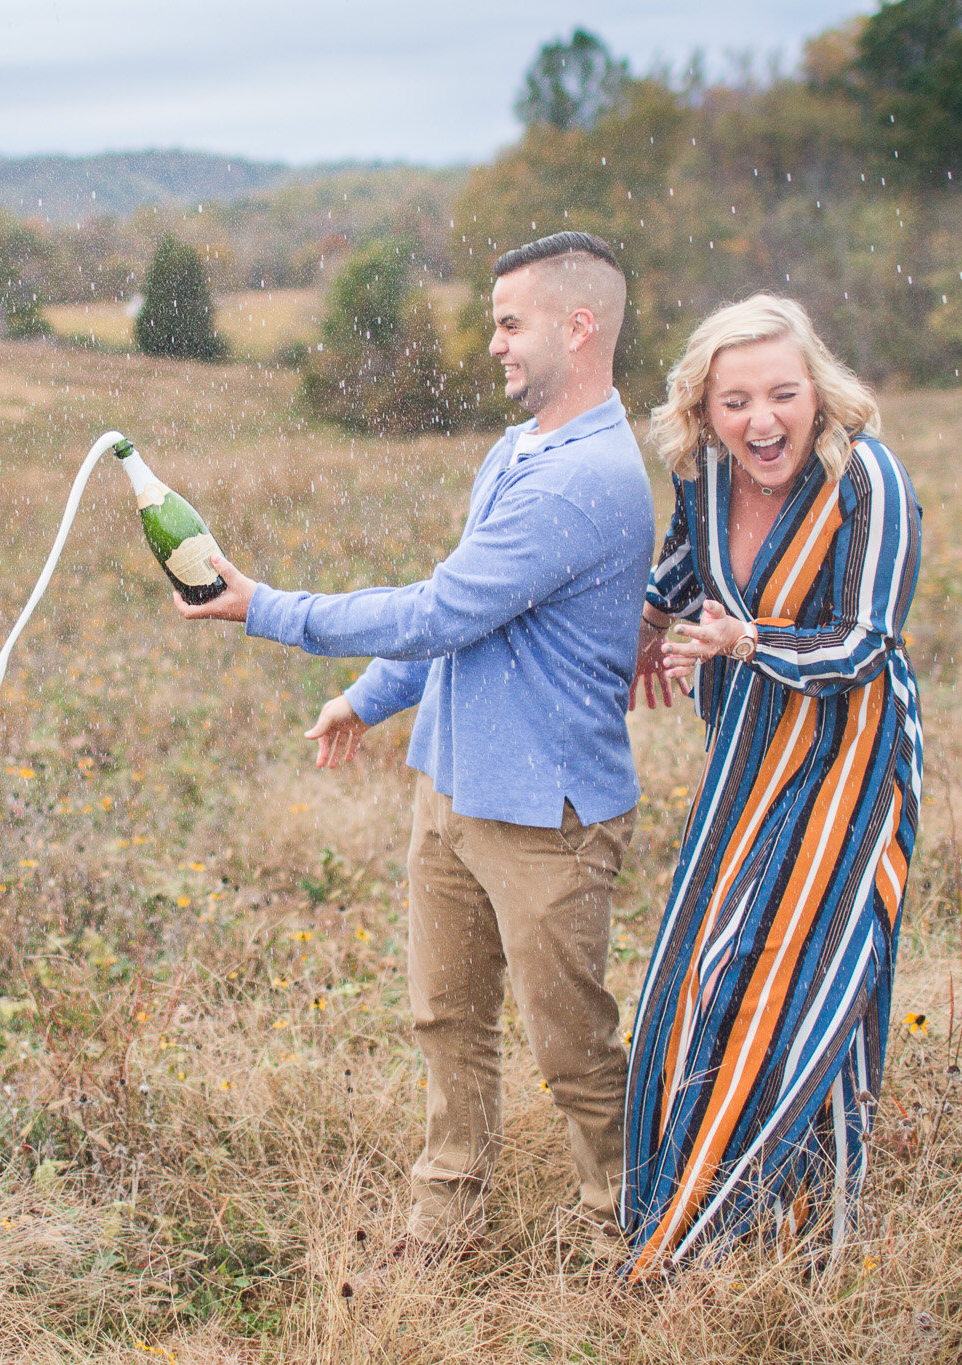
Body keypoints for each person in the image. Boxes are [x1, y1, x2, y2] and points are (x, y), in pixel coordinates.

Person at [177, 231, 654, 1253]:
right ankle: (446, 1220)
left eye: (509, 322)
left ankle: (622, 1231)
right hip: (451, 788)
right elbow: (463, 616)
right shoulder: (515, 453)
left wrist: (266, 607)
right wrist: (369, 698)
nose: (493, 344)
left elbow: (439, 610)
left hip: (546, 815)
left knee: (569, 1048)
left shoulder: (585, 478)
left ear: (579, 328)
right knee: (444, 1019)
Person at [622, 294, 922, 1277]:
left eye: (782, 394)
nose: (761, 420)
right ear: (702, 412)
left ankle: (762, 1234)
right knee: (692, 968)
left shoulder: (863, 476)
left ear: (816, 391)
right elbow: (679, 568)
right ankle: (677, 1204)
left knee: (785, 968)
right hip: (746, 750)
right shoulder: (701, 476)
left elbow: (864, 644)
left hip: (850, 752)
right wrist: (645, 626)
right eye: (734, 400)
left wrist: (742, 641)